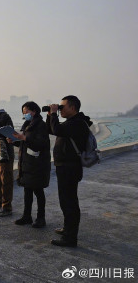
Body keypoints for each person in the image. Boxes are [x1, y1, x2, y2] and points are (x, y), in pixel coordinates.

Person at [46, 95, 92, 247]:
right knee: (66, 201)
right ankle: (67, 229)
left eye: (62, 107)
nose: (60, 109)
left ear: (73, 108)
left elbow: (57, 128)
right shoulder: (72, 122)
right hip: (65, 166)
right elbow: (53, 130)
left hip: (70, 167)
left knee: (69, 202)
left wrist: (54, 114)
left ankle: (70, 238)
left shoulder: (78, 123)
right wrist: (50, 116)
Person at [7, 101, 51, 228]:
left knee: (38, 191)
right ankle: (27, 216)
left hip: (38, 164)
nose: (25, 114)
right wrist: (14, 141)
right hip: (26, 163)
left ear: (34, 111)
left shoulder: (41, 125)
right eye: (23, 112)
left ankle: (41, 218)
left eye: (26, 112)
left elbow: (41, 144)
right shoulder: (27, 124)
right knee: (27, 191)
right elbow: (24, 144)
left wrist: (24, 138)